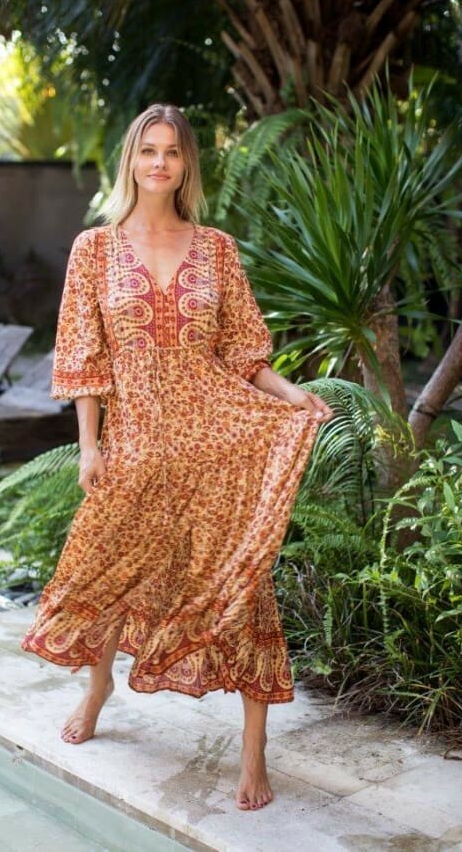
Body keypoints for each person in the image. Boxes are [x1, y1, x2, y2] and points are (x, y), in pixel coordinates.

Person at [21, 103, 334, 812]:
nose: (159, 162)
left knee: (245, 582)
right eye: (148, 150)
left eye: (172, 151)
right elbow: (84, 359)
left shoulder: (216, 248)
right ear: (131, 161)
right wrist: (90, 446)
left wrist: (295, 396)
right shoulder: (94, 250)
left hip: (216, 440)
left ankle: (253, 750)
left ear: (188, 163)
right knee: (109, 568)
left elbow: (245, 352)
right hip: (135, 441)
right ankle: (98, 686)